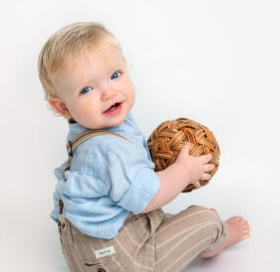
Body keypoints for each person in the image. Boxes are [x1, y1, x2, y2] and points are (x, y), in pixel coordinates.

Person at [38, 22, 250, 272]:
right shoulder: (109, 149)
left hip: (93, 247)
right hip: (117, 259)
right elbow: (149, 199)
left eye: (115, 75)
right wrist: (184, 170)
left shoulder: (90, 131)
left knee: (156, 216)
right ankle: (214, 235)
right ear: (63, 108)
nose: (108, 92)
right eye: (87, 89)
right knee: (205, 217)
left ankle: (194, 232)